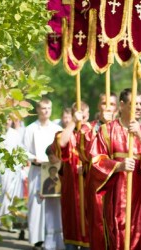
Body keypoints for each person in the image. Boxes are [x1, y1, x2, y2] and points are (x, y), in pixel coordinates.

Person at [89, 88, 141, 249]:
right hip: (118, 195)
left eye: (140, 103)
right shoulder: (107, 130)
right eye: (133, 103)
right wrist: (118, 165)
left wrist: (139, 135)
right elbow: (96, 160)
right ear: (122, 105)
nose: (138, 107)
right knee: (120, 236)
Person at [77, 93, 117, 250]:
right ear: (98, 106)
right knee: (98, 225)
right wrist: (102, 131)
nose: (108, 107)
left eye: (112, 104)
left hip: (118, 185)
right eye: (104, 103)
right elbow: (85, 153)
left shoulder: (122, 128)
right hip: (97, 186)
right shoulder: (88, 128)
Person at [22, 97, 62, 249]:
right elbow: (23, 150)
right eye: (43, 108)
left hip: (53, 169)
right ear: (38, 109)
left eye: (49, 108)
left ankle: (53, 238)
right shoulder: (31, 129)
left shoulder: (56, 129)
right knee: (36, 204)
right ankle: (37, 239)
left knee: (53, 204)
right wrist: (33, 158)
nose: (46, 111)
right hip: (37, 169)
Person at [52, 101, 90, 250]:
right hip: (71, 190)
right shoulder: (66, 133)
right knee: (71, 226)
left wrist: (88, 167)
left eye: (85, 115)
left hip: (88, 190)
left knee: (90, 229)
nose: (83, 119)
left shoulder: (94, 132)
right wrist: (73, 122)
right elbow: (61, 143)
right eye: (80, 115)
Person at [43, 145, 65, 250]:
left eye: (51, 157)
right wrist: (41, 193)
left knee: (61, 219)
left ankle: (61, 244)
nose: (49, 160)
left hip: (61, 201)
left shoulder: (64, 167)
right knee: (50, 220)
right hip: (50, 201)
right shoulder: (45, 169)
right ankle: (50, 244)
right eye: (48, 158)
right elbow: (43, 184)